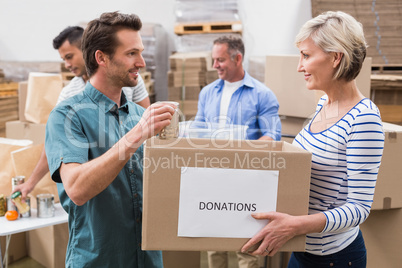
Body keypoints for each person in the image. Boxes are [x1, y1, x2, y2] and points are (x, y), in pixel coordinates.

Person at [241, 11, 384, 268]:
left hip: (334, 258)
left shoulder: (363, 118)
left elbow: (359, 208)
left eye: (306, 56)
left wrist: (293, 225)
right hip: (302, 247)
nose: (299, 66)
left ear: (335, 57)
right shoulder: (323, 104)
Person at [45, 12, 174, 267]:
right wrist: (136, 135)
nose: (142, 62)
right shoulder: (67, 116)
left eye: (141, 52)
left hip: (147, 259)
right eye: (131, 53)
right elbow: (77, 189)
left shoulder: (140, 115)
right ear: (101, 58)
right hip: (98, 260)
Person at [11, 25, 151, 201]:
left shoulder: (130, 81)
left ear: (87, 50)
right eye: (64, 59)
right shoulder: (69, 98)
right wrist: (30, 184)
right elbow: (56, 148)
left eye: (69, 57)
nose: (67, 65)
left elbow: (147, 123)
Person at [195, 36, 281, 268]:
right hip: (212, 178)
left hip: (246, 181)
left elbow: (272, 135)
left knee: (247, 247)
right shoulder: (207, 93)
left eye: (220, 60)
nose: (215, 66)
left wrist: (242, 153)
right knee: (213, 243)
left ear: (238, 58)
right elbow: (198, 132)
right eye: (214, 59)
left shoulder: (262, 94)